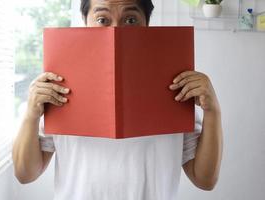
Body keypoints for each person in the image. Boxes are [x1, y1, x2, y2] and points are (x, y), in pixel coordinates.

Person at [12, 0, 223, 199]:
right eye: (102, 20)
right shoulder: (60, 84)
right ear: (85, 22)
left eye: (130, 20)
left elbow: (204, 180)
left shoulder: (175, 85)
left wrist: (213, 111)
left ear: (147, 24)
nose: (116, 30)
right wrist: (31, 113)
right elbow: (25, 174)